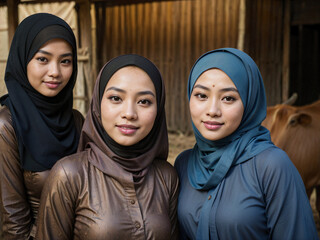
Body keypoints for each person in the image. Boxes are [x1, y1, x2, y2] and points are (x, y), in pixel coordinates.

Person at [174, 48, 319, 240]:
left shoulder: (272, 165)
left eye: (228, 98)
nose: (212, 110)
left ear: (250, 102)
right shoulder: (183, 164)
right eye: (202, 95)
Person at [36, 54, 179, 239]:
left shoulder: (167, 177)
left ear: (158, 110)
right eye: (116, 98)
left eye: (144, 101)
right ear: (97, 104)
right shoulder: (70, 175)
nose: (129, 113)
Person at [0, 13, 84, 239]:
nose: (55, 72)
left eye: (65, 61)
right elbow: (12, 221)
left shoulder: (77, 121)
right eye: (43, 59)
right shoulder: (6, 126)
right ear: (22, 59)